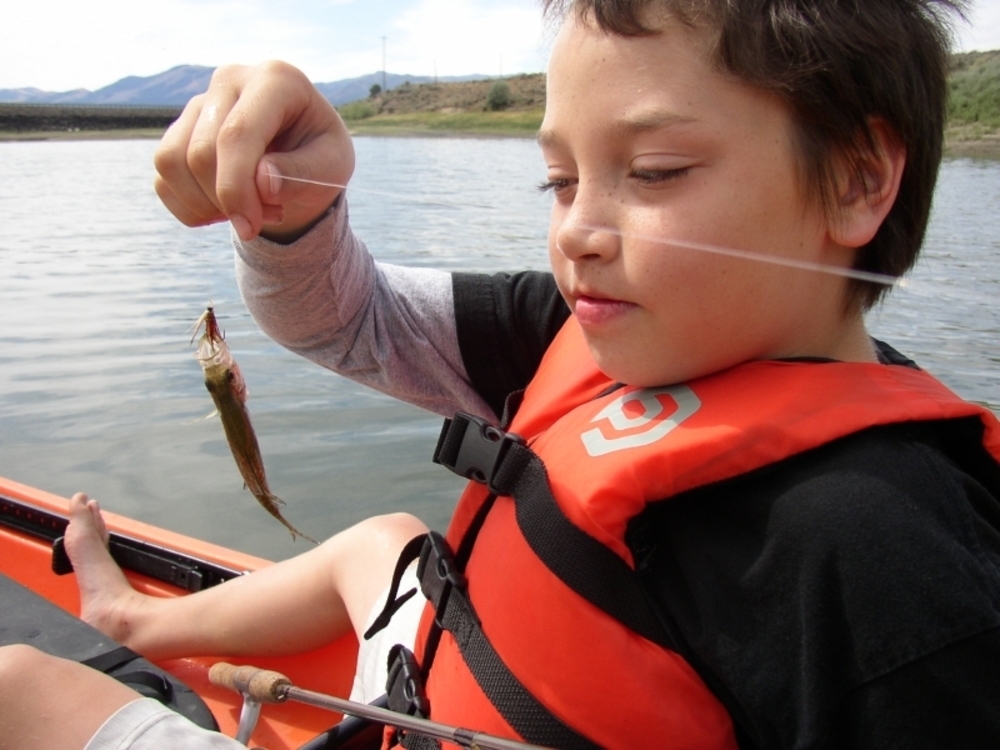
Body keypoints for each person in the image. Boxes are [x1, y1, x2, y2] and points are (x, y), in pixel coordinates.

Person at [2, 0, 1000, 748]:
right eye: (558, 179)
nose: (575, 230)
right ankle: (129, 615)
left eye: (652, 173)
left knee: (17, 688)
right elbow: (349, 320)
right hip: (429, 685)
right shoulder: (583, 332)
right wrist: (296, 211)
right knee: (393, 538)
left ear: (861, 179)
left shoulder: (880, 554)